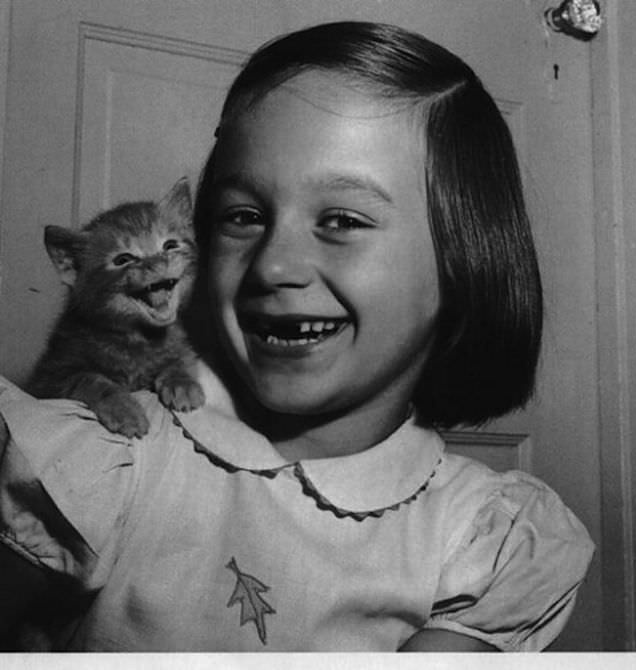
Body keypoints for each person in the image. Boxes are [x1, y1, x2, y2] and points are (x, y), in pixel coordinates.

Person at [0, 21, 593, 652]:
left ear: (465, 261)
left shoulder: (484, 538)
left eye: (341, 220)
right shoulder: (109, 461)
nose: (273, 266)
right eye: (243, 216)